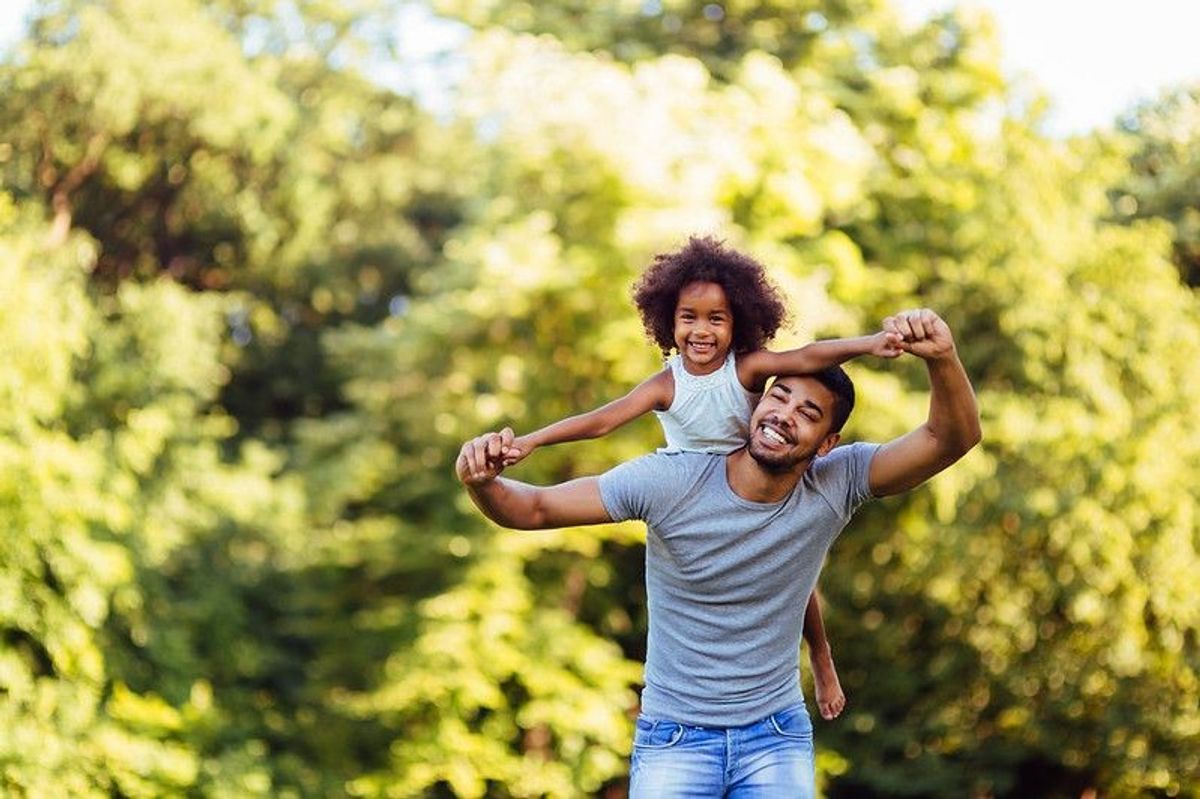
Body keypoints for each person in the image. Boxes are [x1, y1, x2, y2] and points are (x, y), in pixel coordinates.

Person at [456, 308, 981, 797]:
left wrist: (942, 357)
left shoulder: (836, 482)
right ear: (758, 402)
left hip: (775, 736)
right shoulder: (671, 480)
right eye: (779, 398)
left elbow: (949, 437)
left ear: (827, 443)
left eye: (808, 412)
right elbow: (536, 510)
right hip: (674, 738)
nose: (784, 415)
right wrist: (481, 482)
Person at [502, 235, 903, 720]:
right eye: (688, 317)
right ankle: (812, 658)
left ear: (738, 325)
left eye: (717, 319)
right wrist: (532, 441)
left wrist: (870, 345)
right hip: (694, 489)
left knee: (797, 575)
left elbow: (808, 356)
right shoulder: (667, 384)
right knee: (782, 574)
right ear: (668, 322)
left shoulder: (747, 369)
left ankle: (821, 656)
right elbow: (603, 421)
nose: (701, 331)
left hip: (755, 475)